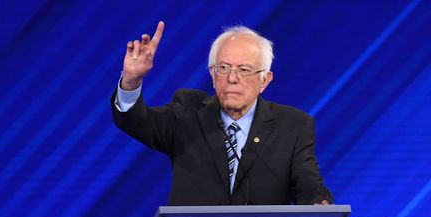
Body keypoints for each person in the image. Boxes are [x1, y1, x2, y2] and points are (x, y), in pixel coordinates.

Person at [111, 21, 333, 206]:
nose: (232, 78)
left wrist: (319, 204)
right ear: (212, 74)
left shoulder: (292, 126)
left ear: (264, 80)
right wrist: (131, 81)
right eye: (224, 68)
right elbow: (136, 121)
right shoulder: (187, 112)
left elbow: (308, 184)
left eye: (244, 70)